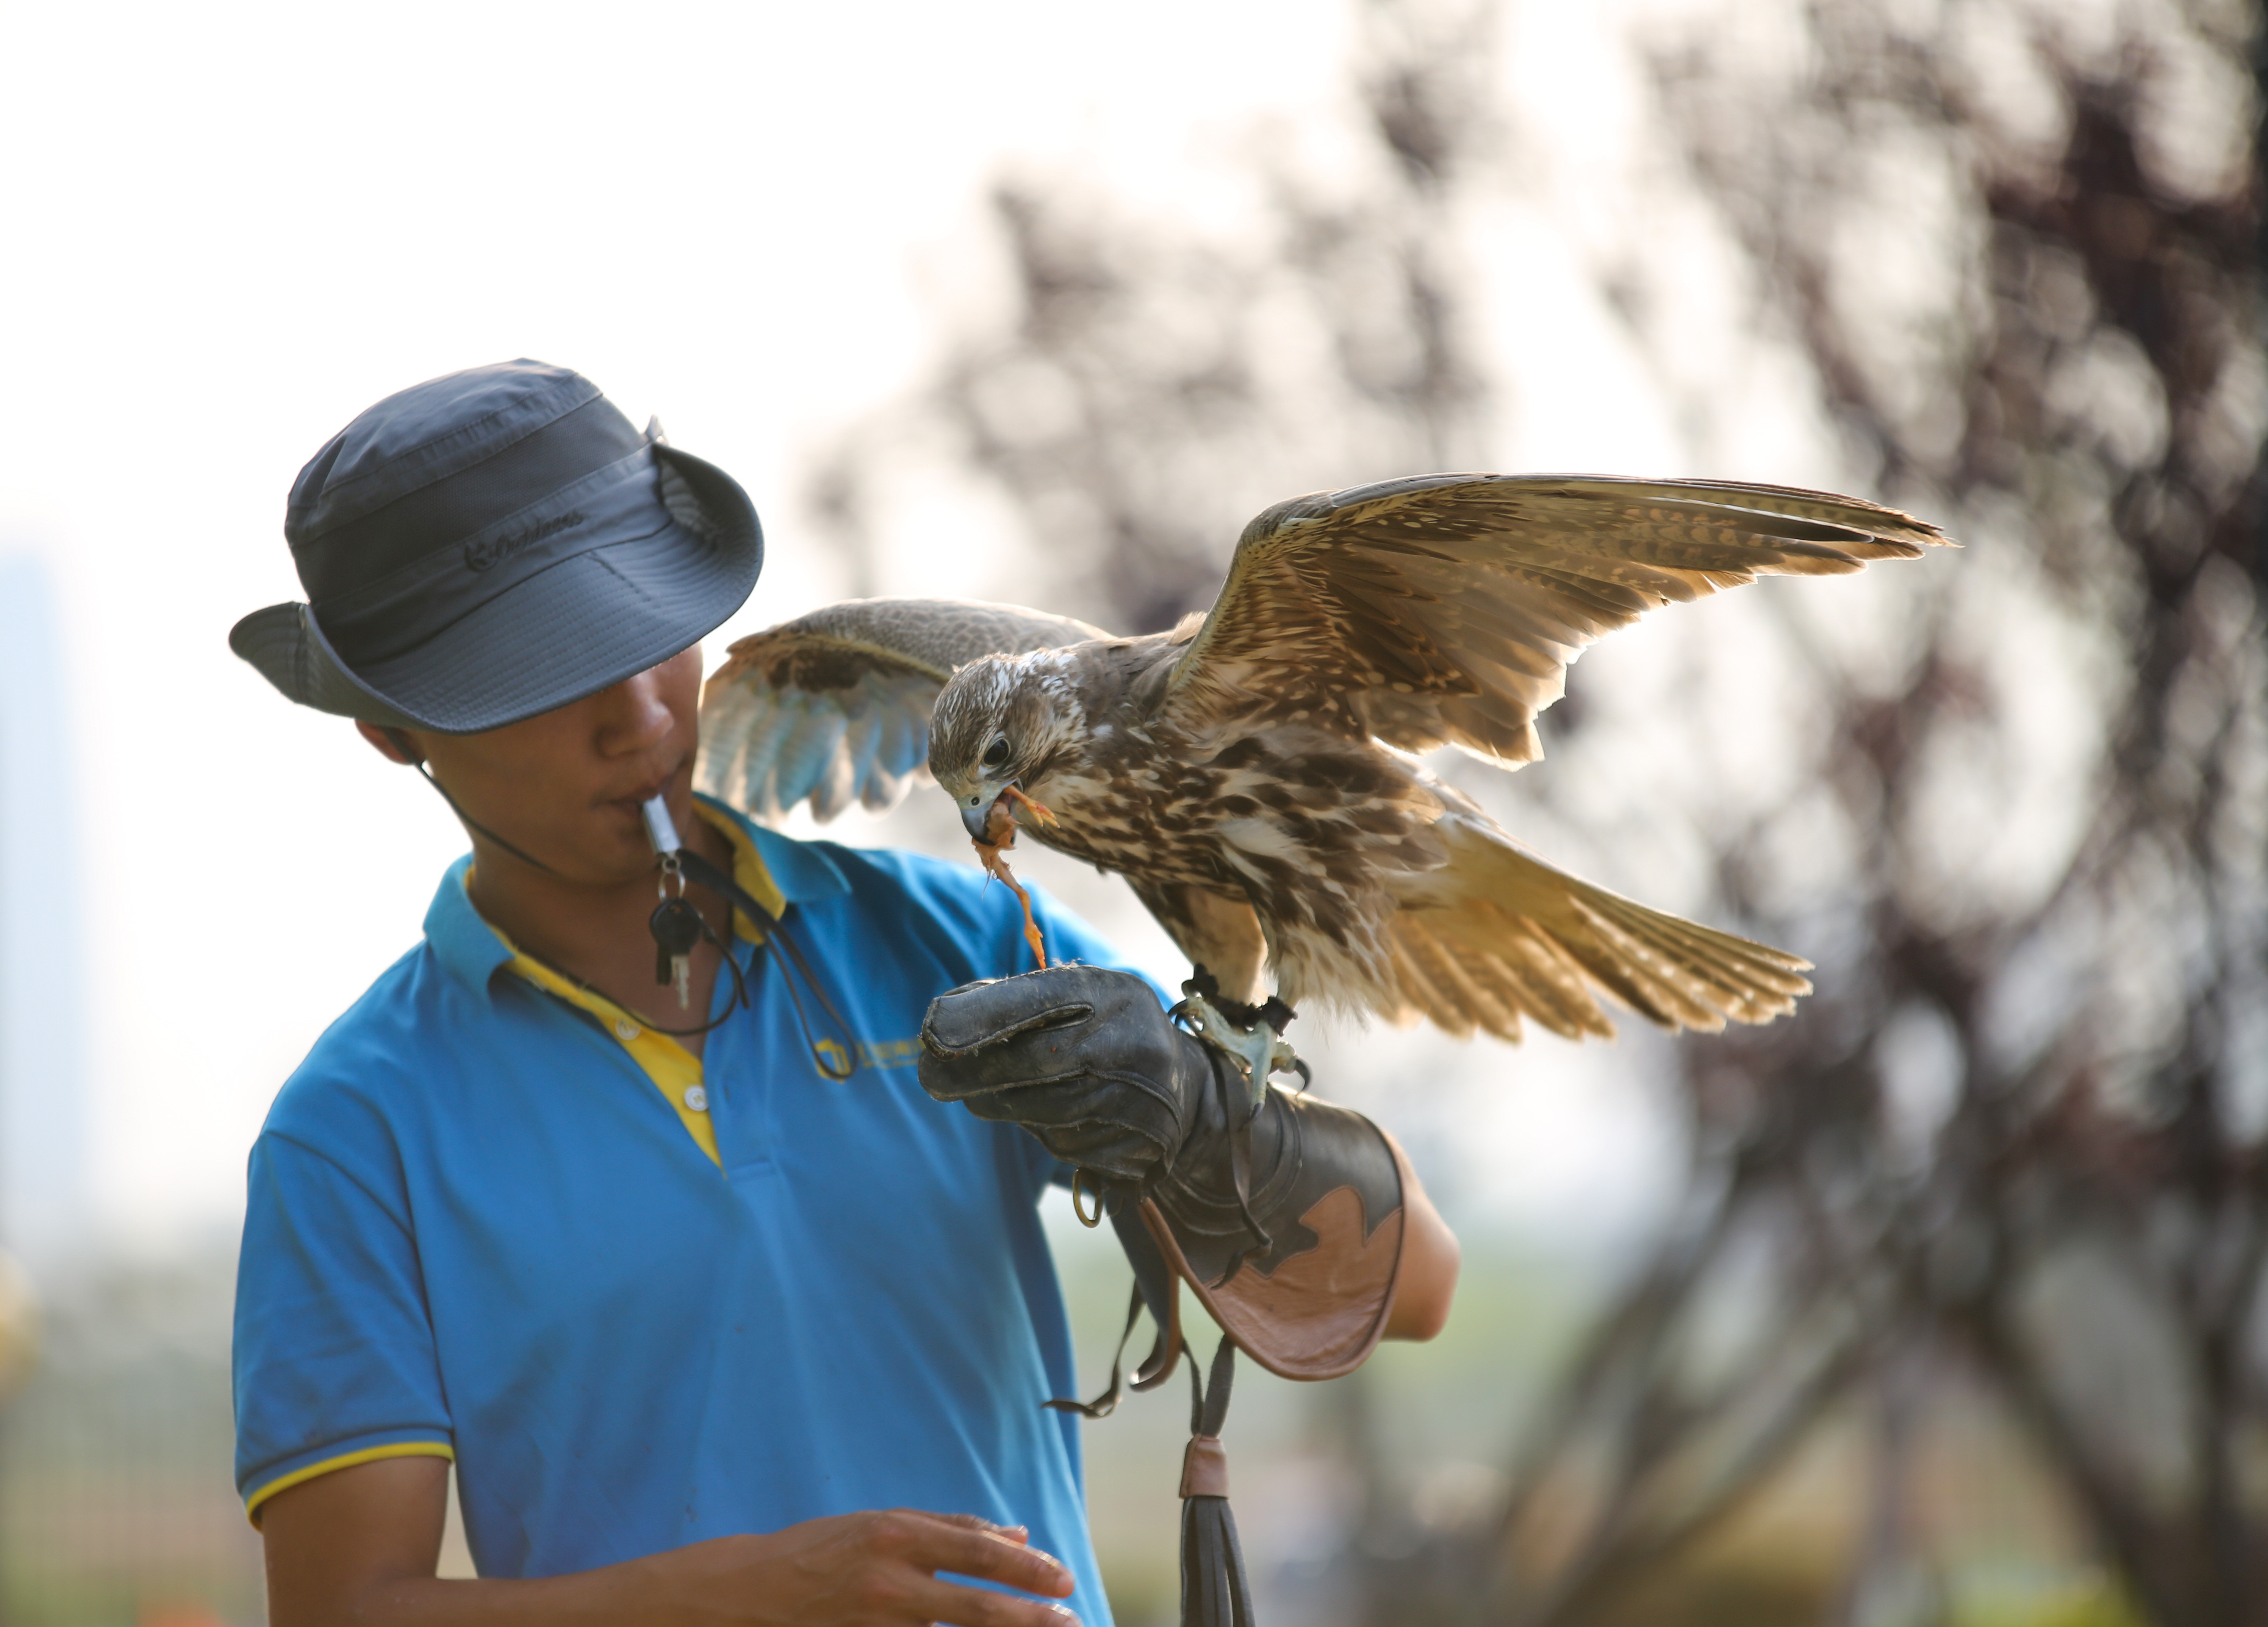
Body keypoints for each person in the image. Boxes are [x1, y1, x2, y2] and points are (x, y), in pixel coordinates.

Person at [227, 359, 1461, 1627]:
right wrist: (744, 1599)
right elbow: (342, 1610)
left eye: (651, 632)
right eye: (543, 674)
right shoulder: (357, 1130)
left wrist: (1206, 1116)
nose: (639, 714)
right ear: (391, 727)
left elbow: (1418, 1280)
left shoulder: (965, 939)